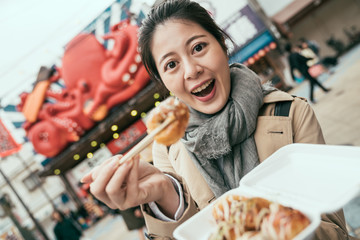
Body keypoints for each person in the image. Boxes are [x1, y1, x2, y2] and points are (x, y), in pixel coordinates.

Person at [81, 1, 354, 239]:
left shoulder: (291, 113)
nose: (191, 70)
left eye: (198, 47)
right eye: (171, 65)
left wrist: (270, 229)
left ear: (222, 45)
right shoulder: (166, 148)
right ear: (163, 81)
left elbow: (334, 231)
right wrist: (165, 195)